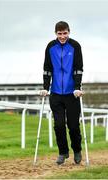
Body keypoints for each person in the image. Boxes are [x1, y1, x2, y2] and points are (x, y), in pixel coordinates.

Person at [41, 21, 83, 165]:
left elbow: (78, 68)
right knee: (58, 125)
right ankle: (63, 152)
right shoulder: (51, 47)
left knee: (73, 126)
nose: (62, 36)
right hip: (56, 93)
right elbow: (47, 68)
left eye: (65, 33)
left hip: (72, 94)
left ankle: (77, 150)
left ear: (69, 32)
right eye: (60, 34)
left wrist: (77, 87)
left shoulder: (75, 46)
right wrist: (46, 87)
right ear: (55, 34)